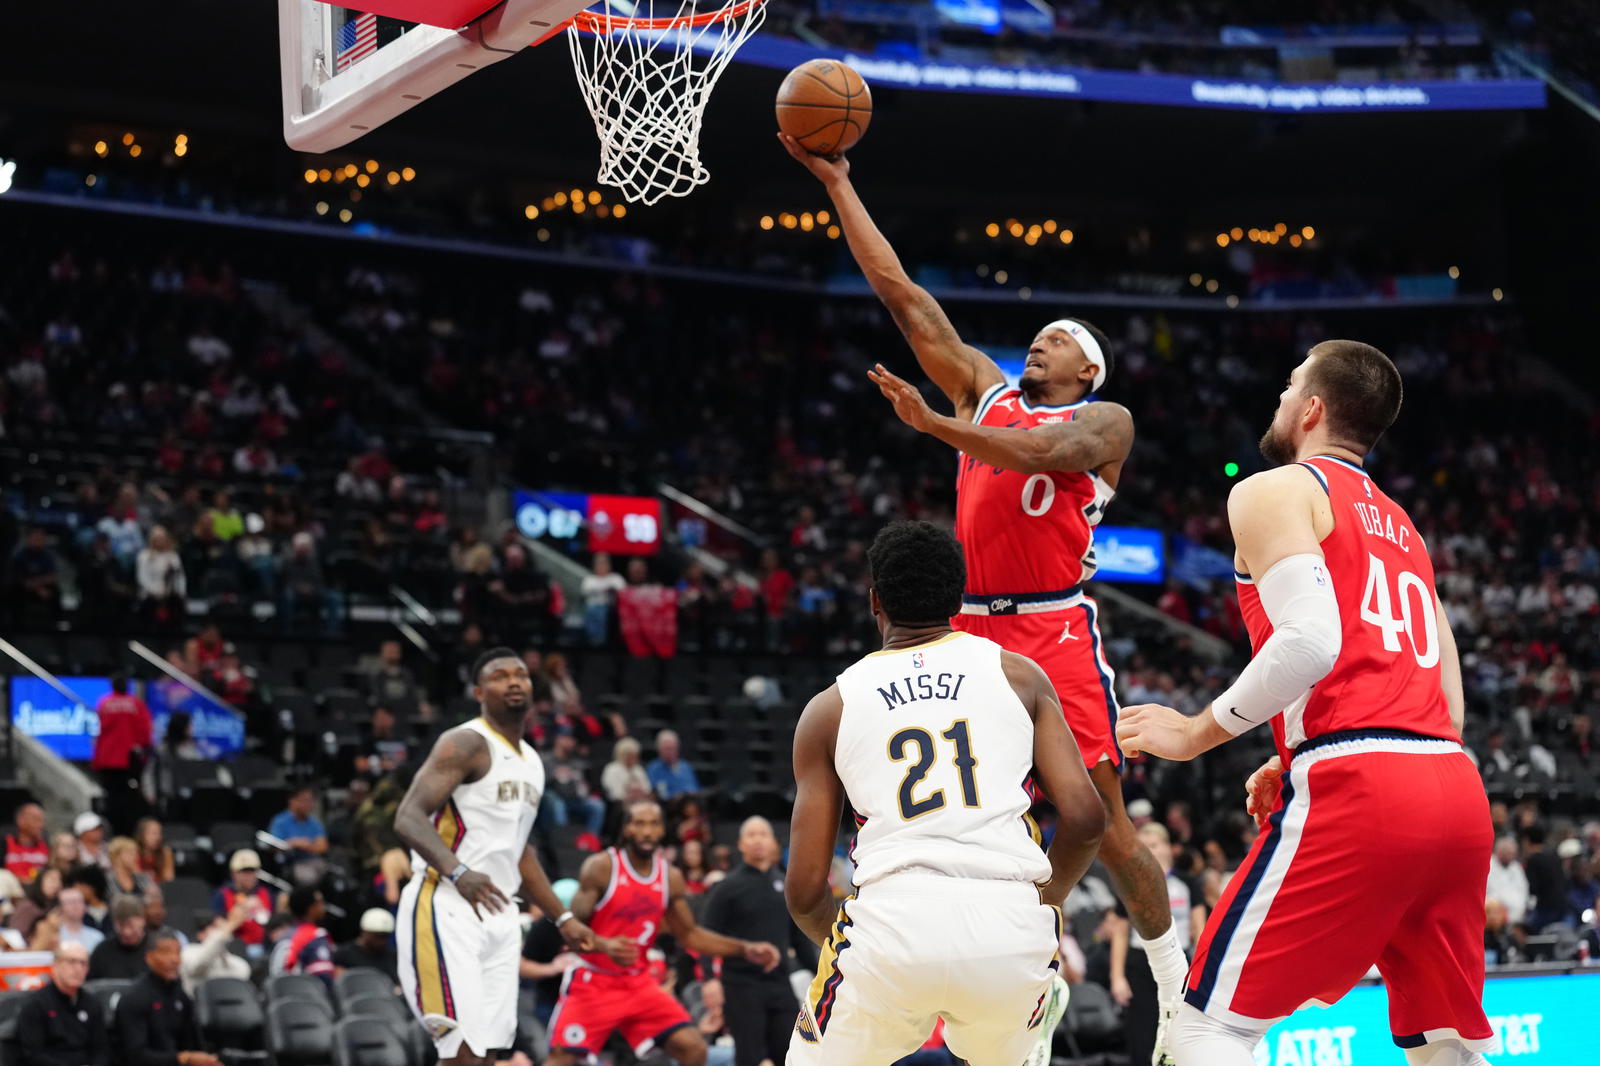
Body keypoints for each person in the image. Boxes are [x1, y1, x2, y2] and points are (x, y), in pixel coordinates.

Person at [783, 137, 1191, 1063]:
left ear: (1086, 370)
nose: (1037, 341)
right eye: (1037, 336)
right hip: (959, 627)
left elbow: (1049, 460)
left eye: (1058, 341)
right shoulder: (986, 390)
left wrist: (937, 429)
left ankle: (1176, 989)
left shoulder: (1103, 422)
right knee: (924, 797)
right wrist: (841, 184)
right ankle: (912, 951)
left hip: (1052, 622)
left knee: (1108, 819)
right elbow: (904, 298)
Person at [1114, 341, 1494, 1065]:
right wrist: (1296, 746)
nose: (1281, 399)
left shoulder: (1274, 489)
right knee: (1444, 1045)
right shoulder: (1403, 527)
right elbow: (1446, 688)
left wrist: (1197, 732)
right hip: (1452, 783)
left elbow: (1313, 642)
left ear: (1312, 408)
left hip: (1364, 784)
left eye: (1290, 386)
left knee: (1206, 1026)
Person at [784, 520, 1105, 1066]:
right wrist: (1042, 901)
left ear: (874, 601)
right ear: (958, 598)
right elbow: (1086, 818)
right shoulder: (1019, 676)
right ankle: (1033, 1013)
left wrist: (850, 947)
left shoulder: (828, 709)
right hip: (1008, 924)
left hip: (892, 924)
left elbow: (805, 891)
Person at [393, 647, 601, 1066]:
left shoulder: (533, 764)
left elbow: (519, 850)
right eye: (499, 676)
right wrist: (458, 871)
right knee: (462, 1049)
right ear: (478, 691)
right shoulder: (465, 742)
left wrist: (562, 918)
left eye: (520, 675)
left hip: (501, 914)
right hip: (447, 904)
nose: (512, 682)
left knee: (488, 1052)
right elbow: (408, 817)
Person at [545, 798, 782, 1066]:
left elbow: (690, 935)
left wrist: (744, 949)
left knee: (693, 1049)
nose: (647, 831)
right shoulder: (601, 868)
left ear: (662, 830)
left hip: (638, 981)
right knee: (561, 1057)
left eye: (654, 824)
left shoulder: (670, 876)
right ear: (627, 829)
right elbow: (571, 930)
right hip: (595, 980)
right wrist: (604, 945)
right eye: (640, 823)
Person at [700, 817, 819, 1066]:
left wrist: (822, 974)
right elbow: (706, 935)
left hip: (780, 984)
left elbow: (799, 942)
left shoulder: (786, 886)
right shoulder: (727, 887)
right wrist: (710, 979)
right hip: (741, 985)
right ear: (741, 844)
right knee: (751, 1058)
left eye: (763, 834)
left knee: (790, 1056)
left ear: (774, 843)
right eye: (751, 835)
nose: (757, 840)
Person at [1110, 824, 1207, 1066]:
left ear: (1168, 848)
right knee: (1142, 1036)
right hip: (1140, 964)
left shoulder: (1188, 883)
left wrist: (1203, 970)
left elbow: (1201, 929)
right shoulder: (1132, 884)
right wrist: (1116, 977)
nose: (1149, 851)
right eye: (1143, 846)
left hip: (1180, 961)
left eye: (1154, 845)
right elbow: (1120, 933)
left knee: (1177, 1034)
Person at [113, 930, 222, 1066]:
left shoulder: (181, 995)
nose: (174, 959)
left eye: (178, 952)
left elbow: (194, 1044)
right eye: (166, 953)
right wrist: (183, 1059)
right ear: (149, 958)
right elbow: (136, 1056)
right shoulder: (134, 998)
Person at [16, 942, 110, 1066]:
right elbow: (33, 1054)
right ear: (55, 967)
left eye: (83, 963)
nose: (78, 969)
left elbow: (101, 1049)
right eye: (71, 962)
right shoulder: (36, 1005)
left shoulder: (92, 1004)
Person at [91, 677, 153, 835]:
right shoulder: (136, 703)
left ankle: (114, 831)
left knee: (112, 800)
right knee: (129, 799)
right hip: (128, 761)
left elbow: (101, 730)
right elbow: (145, 730)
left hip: (108, 760)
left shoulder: (104, 703)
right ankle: (125, 832)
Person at [211, 848, 274, 946]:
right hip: (235, 945)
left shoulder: (265, 893)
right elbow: (218, 925)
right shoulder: (222, 894)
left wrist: (260, 910)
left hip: (263, 945)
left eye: (252, 871)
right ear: (234, 873)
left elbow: (273, 923)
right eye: (244, 871)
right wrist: (239, 913)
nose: (249, 876)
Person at [268, 786, 329, 883]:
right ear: (292, 801)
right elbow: (275, 846)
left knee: (333, 876)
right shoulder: (280, 821)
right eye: (304, 800)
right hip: (292, 863)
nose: (308, 804)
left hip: (313, 861)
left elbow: (323, 846)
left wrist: (303, 844)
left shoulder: (314, 822)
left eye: (310, 801)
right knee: (308, 877)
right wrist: (295, 843)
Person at [280, 886, 336, 987]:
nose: (323, 906)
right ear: (311, 908)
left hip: (283, 993)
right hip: (306, 995)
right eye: (320, 902)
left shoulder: (283, 935)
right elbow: (324, 978)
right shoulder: (316, 936)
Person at [88, 895, 150, 980]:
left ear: (143, 920)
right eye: (122, 927)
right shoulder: (102, 952)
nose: (127, 932)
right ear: (115, 924)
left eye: (134, 927)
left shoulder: (155, 947)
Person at [334, 908, 400, 982]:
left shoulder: (393, 956)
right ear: (365, 932)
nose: (382, 941)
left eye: (386, 936)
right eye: (378, 936)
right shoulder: (343, 955)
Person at [581, 552, 626, 646]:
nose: (601, 565)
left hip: (612, 609)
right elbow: (584, 595)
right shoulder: (589, 579)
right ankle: (594, 640)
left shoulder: (616, 578)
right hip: (592, 610)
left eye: (604, 563)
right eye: (599, 563)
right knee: (593, 609)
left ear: (609, 565)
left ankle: (604, 641)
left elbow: (623, 595)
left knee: (605, 612)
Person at [646, 730, 700, 801]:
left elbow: (694, 789)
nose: (670, 752)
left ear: (677, 749)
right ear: (659, 750)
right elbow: (652, 792)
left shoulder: (686, 767)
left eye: (672, 748)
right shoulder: (653, 768)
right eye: (667, 749)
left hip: (685, 804)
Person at [4, 802, 49, 883]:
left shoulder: (46, 846)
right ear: (21, 820)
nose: (41, 825)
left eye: (42, 820)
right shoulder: (4, 844)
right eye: (36, 819)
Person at [600, 737, 652, 803]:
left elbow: (647, 789)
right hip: (621, 804)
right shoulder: (612, 769)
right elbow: (615, 794)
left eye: (635, 755)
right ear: (623, 755)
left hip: (641, 801)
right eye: (631, 756)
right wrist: (631, 795)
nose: (635, 759)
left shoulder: (638, 769)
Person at [56, 885, 105, 953]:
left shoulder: (97, 937)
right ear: (60, 907)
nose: (76, 906)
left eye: (79, 901)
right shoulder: (54, 936)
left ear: (85, 906)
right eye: (70, 902)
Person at [107, 837, 154, 905]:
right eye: (130, 853)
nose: (136, 857)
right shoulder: (108, 879)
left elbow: (152, 898)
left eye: (136, 853)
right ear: (117, 856)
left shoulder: (141, 878)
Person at [134, 818, 176, 883]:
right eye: (153, 833)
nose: (158, 838)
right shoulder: (133, 852)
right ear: (141, 835)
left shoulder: (165, 853)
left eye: (159, 833)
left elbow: (169, 879)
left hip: (160, 889)